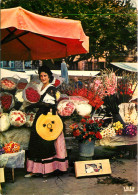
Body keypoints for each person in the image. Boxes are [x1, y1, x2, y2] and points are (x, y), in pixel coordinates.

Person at [24, 65, 68, 178]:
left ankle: (48, 170)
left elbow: (50, 103)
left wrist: (34, 105)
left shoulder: (51, 88)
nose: (43, 78)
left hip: (49, 117)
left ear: (49, 77)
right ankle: (35, 169)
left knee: (46, 142)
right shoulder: (40, 86)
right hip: (40, 116)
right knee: (36, 142)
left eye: (45, 76)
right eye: (41, 76)